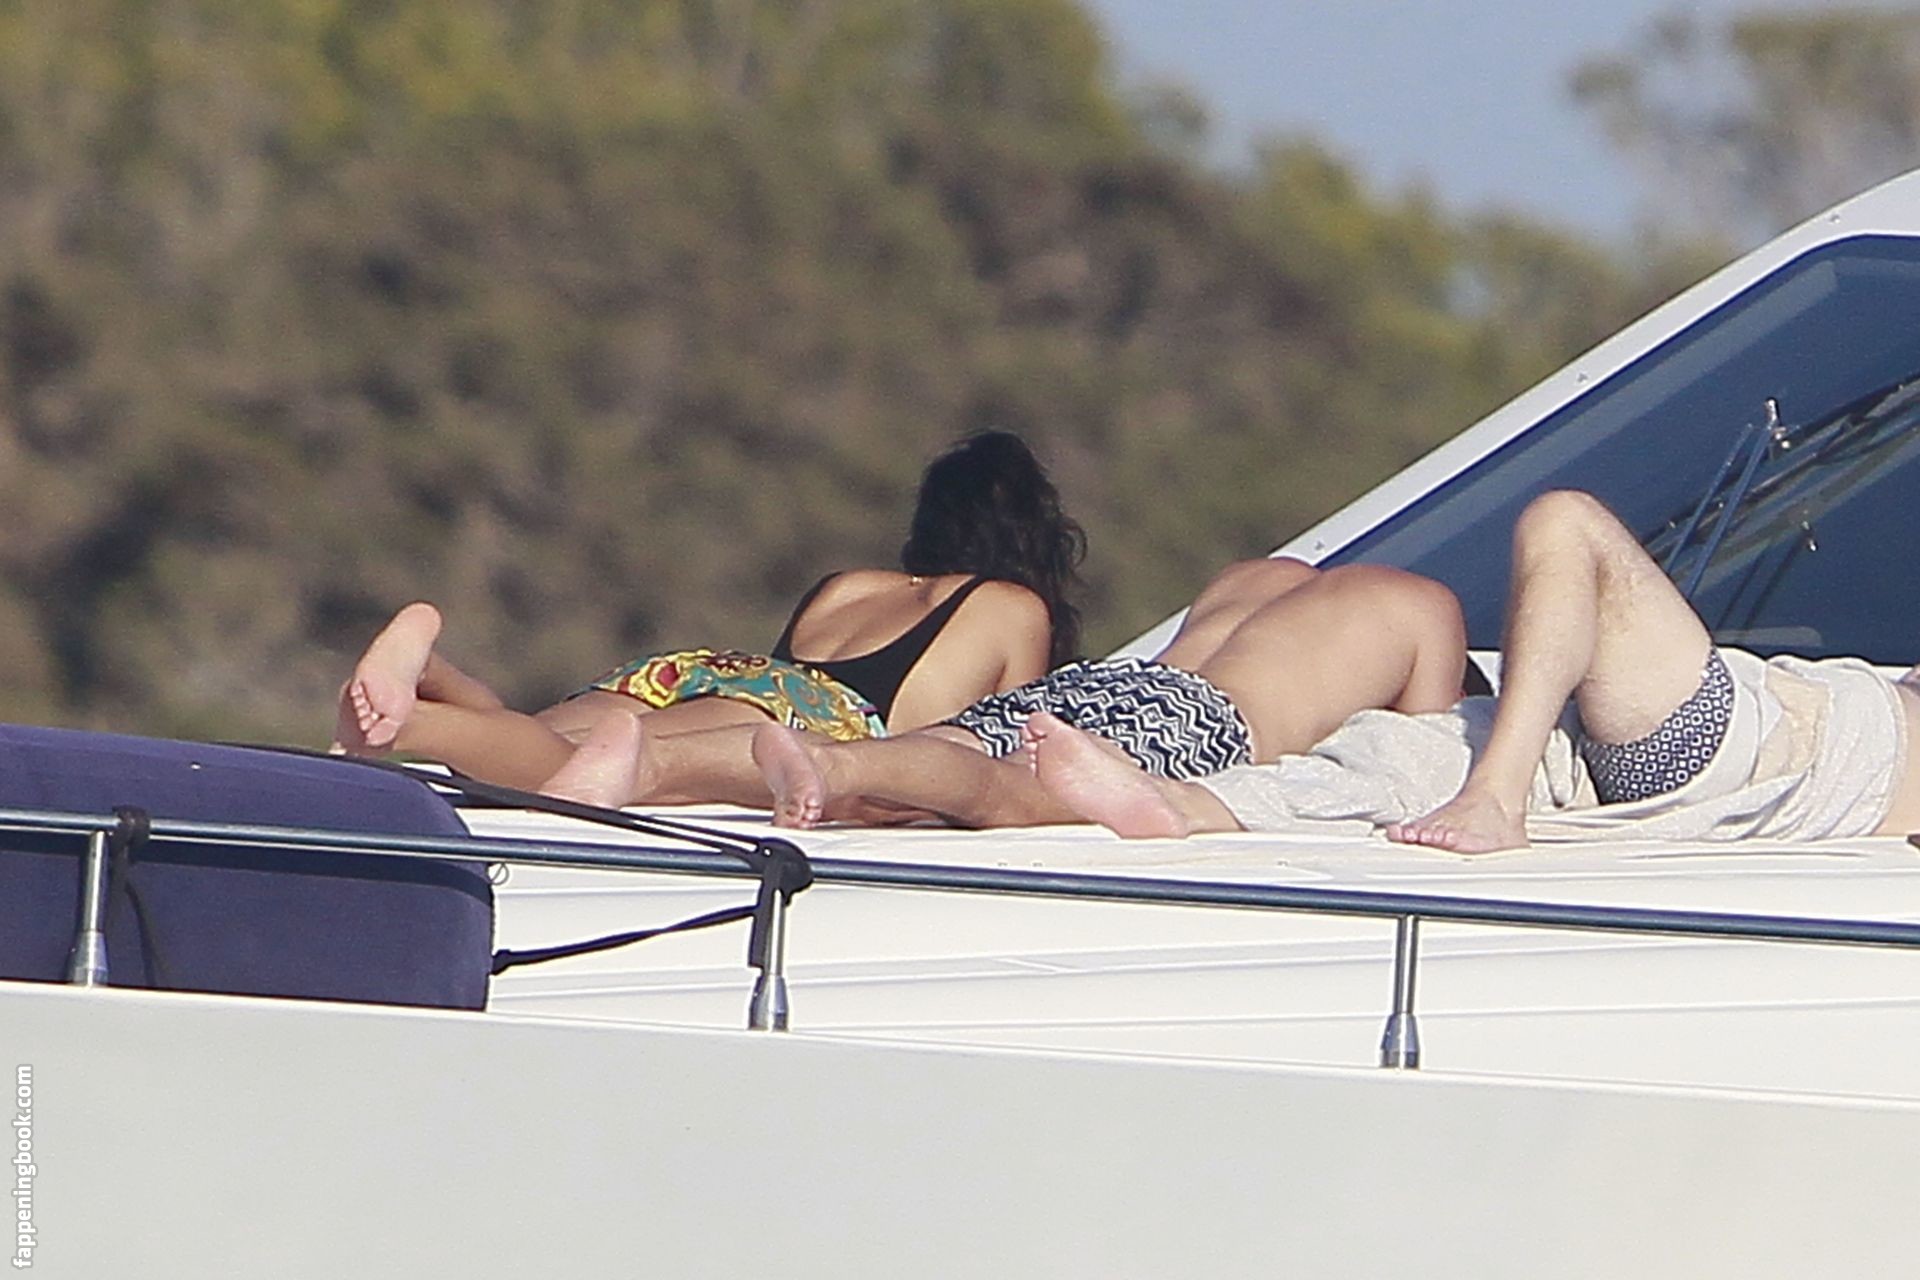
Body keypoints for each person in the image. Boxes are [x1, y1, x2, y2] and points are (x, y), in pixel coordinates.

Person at [1034, 490, 1920, 849]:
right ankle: (1190, 805)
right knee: (1408, 750)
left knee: (1566, 524)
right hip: (1661, 766)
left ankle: (1496, 799)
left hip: (1786, 749)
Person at [331, 431, 1086, 806]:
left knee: (538, 738)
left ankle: (434, 675)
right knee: (572, 768)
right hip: (814, 713)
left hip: (708, 673)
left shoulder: (850, 586)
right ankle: (408, 725)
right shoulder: (1012, 606)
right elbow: (1005, 743)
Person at [749, 558, 1474, 828]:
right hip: (1200, 718)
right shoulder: (1425, 605)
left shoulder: (1261, 575)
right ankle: (839, 766)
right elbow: (1418, 756)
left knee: (934, 757)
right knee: (1008, 793)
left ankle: (682, 766)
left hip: (1110, 678)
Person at [1385, 489, 1920, 852]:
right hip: (1737, 747)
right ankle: (1495, 790)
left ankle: (1497, 797)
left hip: (1760, 751)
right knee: (1361, 649)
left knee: (1565, 519)